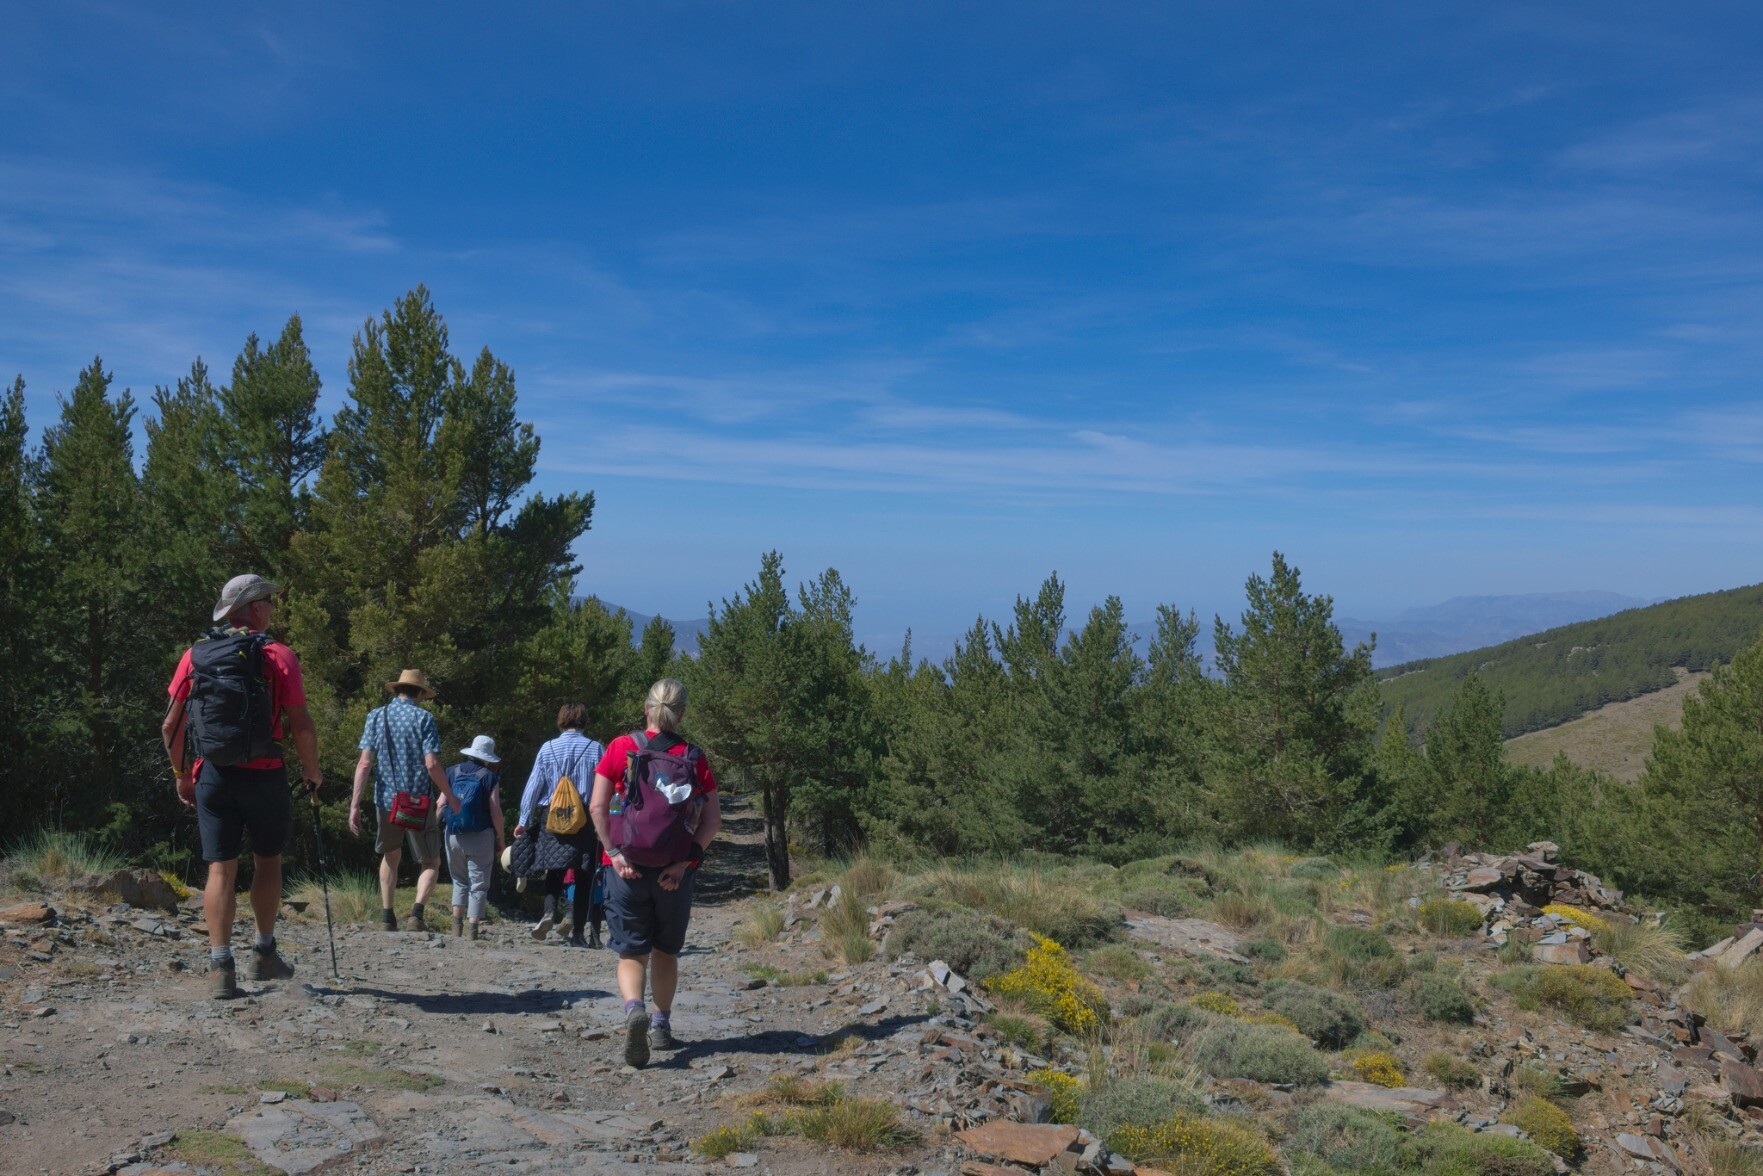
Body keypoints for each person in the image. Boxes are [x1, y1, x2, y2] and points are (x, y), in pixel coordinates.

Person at [162, 574, 321, 1000]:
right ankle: (264, 954)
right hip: (265, 772)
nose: (272, 607)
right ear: (252, 607)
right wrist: (312, 770)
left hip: (212, 774)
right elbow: (301, 724)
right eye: (268, 601)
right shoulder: (278, 654)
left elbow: (169, 725)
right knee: (268, 861)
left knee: (220, 868)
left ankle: (220, 967)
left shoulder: (195, 656)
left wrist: (182, 775)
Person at [589, 679, 721, 1068]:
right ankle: (661, 1025)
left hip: (625, 867)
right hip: (673, 874)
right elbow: (712, 821)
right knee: (666, 950)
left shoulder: (620, 747)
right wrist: (684, 863)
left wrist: (613, 853)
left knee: (631, 951)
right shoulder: (694, 757)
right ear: (681, 715)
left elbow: (597, 807)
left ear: (646, 708)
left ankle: (634, 1010)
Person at [348, 669, 458, 932]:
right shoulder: (424, 718)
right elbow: (432, 764)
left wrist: (354, 804)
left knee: (390, 855)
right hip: (418, 802)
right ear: (419, 693)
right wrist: (451, 798)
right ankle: (416, 916)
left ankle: (387, 917)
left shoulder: (376, 716)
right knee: (431, 861)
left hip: (386, 800)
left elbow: (364, 764)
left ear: (397, 690)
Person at [515, 702, 604, 946]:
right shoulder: (596, 749)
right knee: (584, 874)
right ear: (584, 720)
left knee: (553, 868)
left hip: (552, 817)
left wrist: (524, 820)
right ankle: (577, 932)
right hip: (584, 818)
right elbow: (604, 787)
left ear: (561, 720)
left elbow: (533, 787)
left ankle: (548, 912)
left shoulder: (548, 748)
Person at [444, 735, 506, 940]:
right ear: (488, 757)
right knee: (478, 883)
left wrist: (433, 829)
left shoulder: (452, 771)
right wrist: (501, 840)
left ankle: (455, 928)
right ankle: (472, 931)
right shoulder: (489, 777)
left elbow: (440, 803)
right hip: (480, 835)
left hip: (453, 834)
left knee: (459, 880)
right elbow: (495, 812)